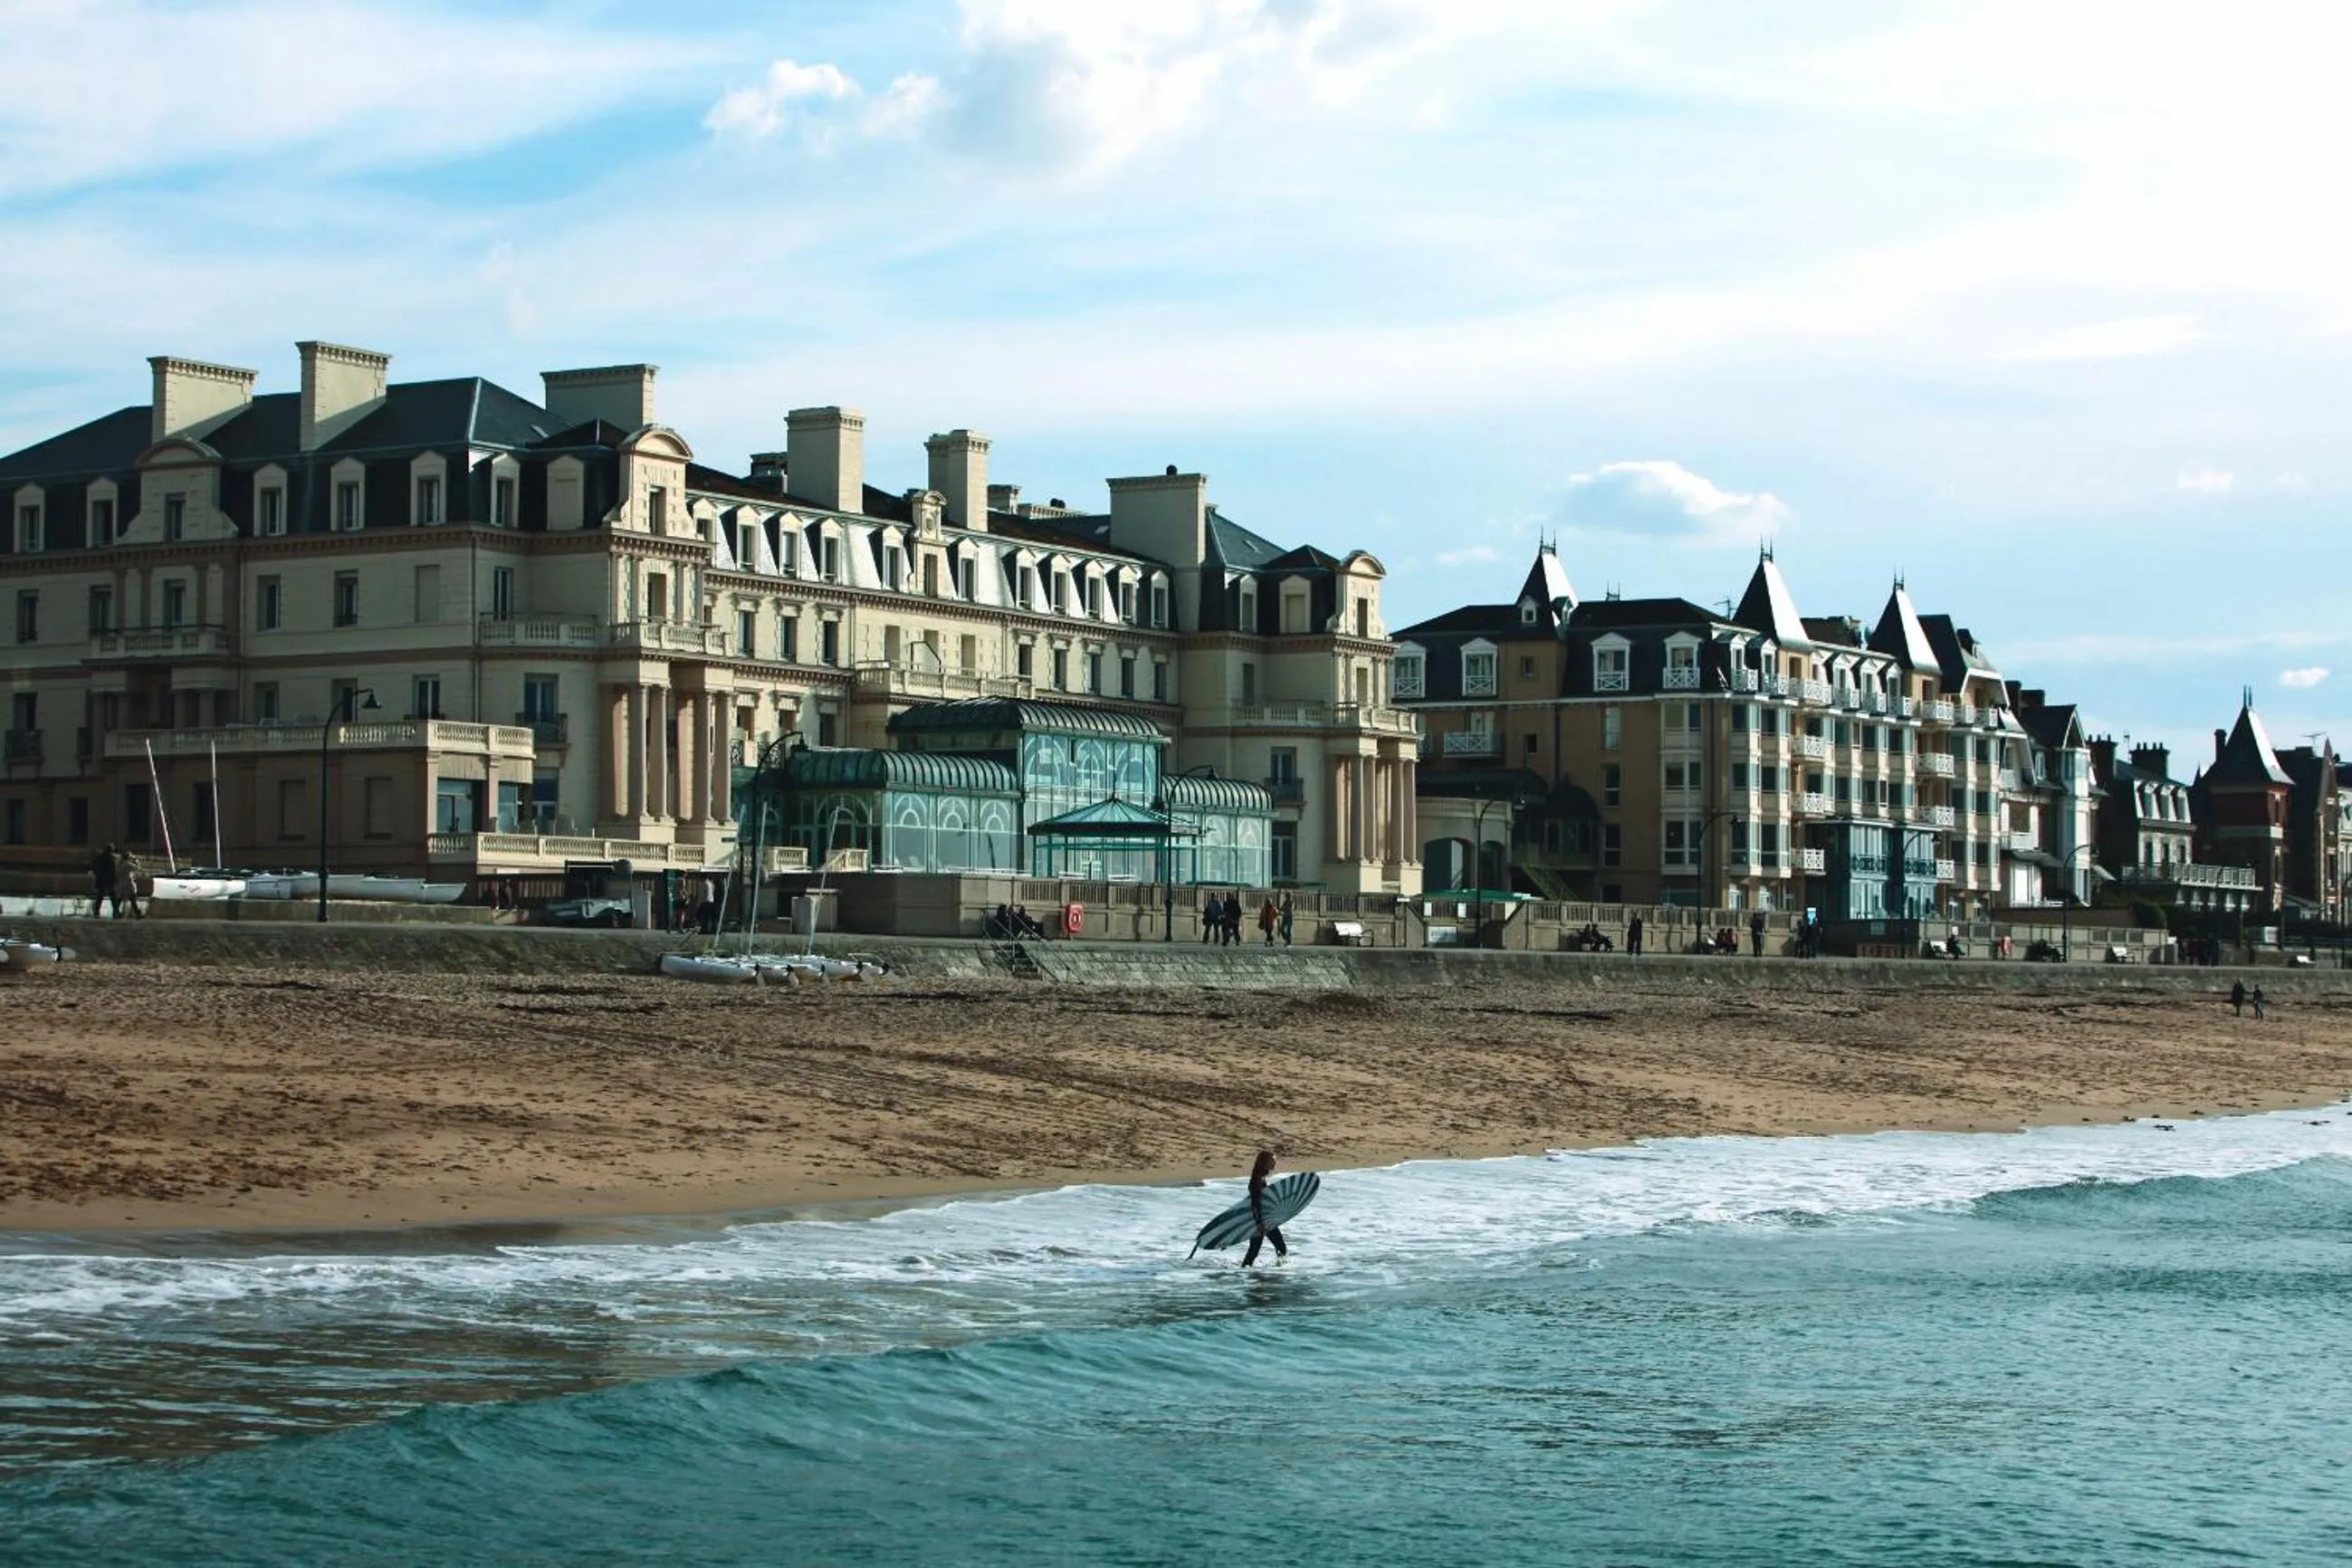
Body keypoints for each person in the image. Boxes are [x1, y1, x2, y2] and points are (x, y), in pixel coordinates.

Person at [1241, 1148, 1288, 1267]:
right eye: (1272, 1160)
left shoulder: (1260, 1178)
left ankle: (1277, 1270)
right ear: (1265, 1162)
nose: (1275, 1163)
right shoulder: (1256, 1181)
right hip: (1262, 1221)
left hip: (1264, 1219)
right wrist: (1259, 1223)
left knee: (1256, 1250)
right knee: (1277, 1247)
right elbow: (1255, 1204)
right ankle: (1280, 1271)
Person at [113, 846, 145, 919]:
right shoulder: (127, 864)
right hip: (128, 883)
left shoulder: (119, 864)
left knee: (119, 899)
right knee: (132, 899)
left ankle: (115, 913)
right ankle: (137, 914)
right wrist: (136, 860)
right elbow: (138, 868)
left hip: (120, 884)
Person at [89, 842, 117, 919]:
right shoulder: (111, 858)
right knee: (113, 897)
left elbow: (94, 867)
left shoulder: (100, 857)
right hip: (109, 880)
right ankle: (116, 913)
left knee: (100, 897)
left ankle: (96, 913)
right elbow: (113, 870)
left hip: (101, 879)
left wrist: (98, 875)